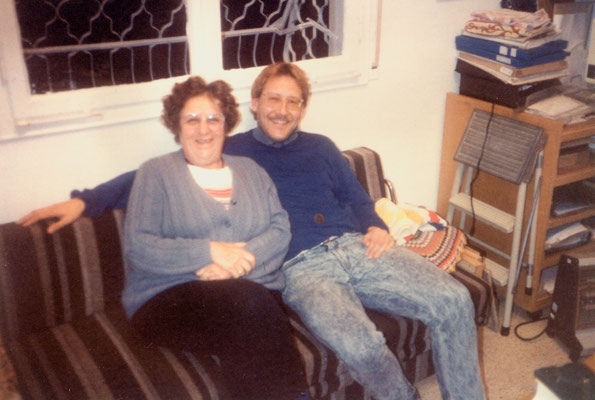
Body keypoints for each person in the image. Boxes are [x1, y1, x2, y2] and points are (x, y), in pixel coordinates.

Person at [18, 63, 486, 400]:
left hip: (359, 247)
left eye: (293, 101)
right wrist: (84, 200)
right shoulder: (229, 149)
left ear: (302, 108)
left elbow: (356, 196)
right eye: (274, 99)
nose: (282, 110)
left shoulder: (323, 148)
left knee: (454, 300)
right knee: (361, 343)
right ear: (256, 103)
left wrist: (375, 225)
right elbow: (144, 179)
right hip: (303, 270)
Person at [90, 75, 305, 400]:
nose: (203, 129)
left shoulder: (252, 170)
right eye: (192, 119)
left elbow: (280, 229)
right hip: (168, 302)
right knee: (251, 311)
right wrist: (210, 251)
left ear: (225, 125)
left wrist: (234, 269)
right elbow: (140, 247)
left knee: (247, 328)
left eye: (213, 119)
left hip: (252, 294)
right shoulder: (156, 173)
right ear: (177, 125)